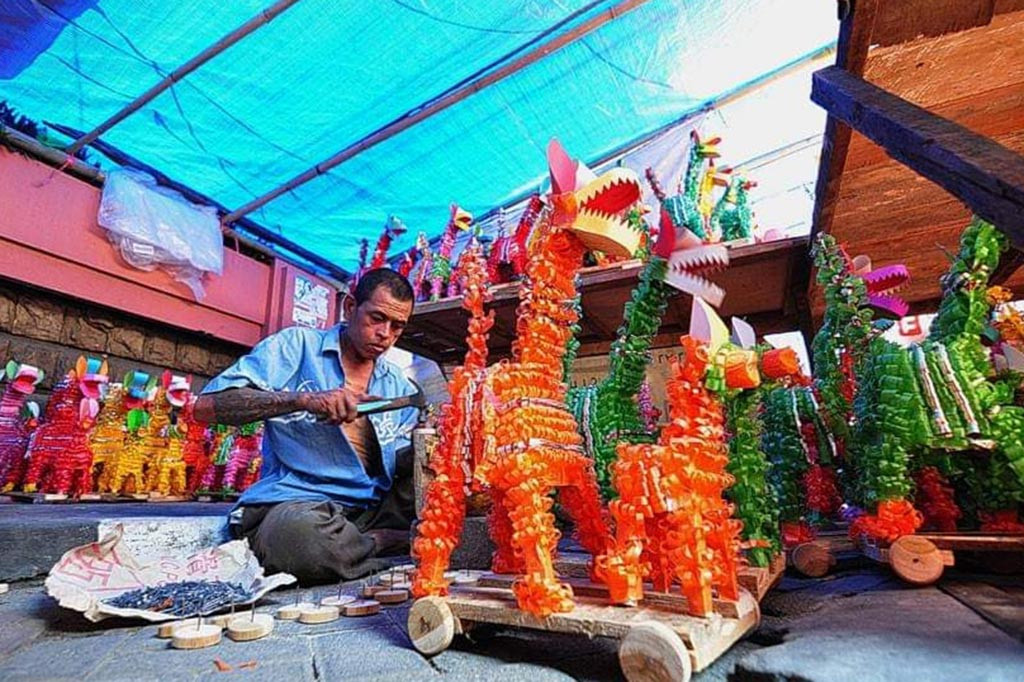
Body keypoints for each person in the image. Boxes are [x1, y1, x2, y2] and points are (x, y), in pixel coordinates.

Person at [194, 268, 420, 584]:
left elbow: (395, 464)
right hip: (298, 505)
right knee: (301, 540)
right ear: (350, 307)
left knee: (441, 494)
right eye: (377, 318)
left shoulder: (398, 385)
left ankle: (359, 546)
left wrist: (434, 445)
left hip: (370, 509)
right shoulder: (296, 346)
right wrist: (302, 400)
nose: (386, 334)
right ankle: (381, 544)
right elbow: (204, 407)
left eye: (397, 327)